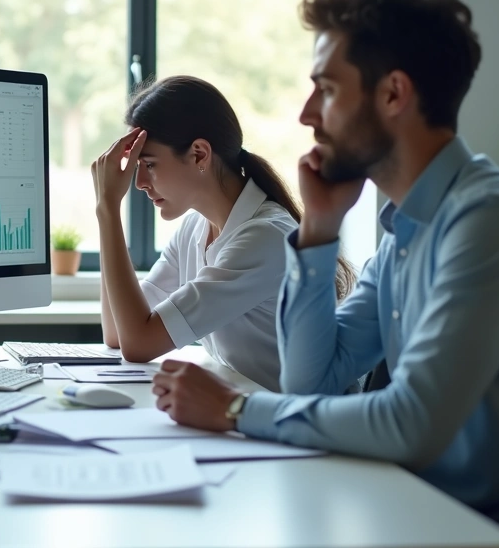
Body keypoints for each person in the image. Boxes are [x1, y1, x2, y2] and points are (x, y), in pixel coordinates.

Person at [150, 0, 499, 547]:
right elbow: (311, 383)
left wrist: (234, 410)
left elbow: (411, 424)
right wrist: (319, 230)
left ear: (394, 94)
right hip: (439, 512)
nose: (306, 114)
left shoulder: (492, 221)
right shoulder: (405, 233)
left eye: (325, 88)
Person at [92, 76, 355, 391]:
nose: (140, 184)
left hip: (300, 428)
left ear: (200, 154)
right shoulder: (194, 230)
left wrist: (108, 210)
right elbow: (118, 334)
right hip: (250, 415)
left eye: (149, 165)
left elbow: (138, 343)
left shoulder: (263, 238)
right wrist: (107, 212)